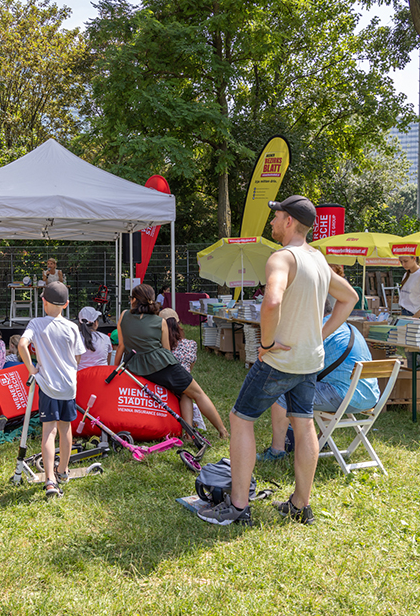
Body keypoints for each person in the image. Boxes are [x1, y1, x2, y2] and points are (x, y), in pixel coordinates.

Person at [196, 195, 357, 527]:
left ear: (289, 222)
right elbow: (350, 297)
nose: (271, 223)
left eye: (276, 217)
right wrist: (320, 333)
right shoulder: (318, 259)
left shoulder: (282, 258)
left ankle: (238, 507)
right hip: (310, 360)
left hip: (280, 361)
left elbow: (271, 301)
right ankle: (301, 505)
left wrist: (266, 343)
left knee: (240, 419)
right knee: (304, 422)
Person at [258, 297, 381, 460]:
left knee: (281, 393)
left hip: (346, 396)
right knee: (321, 384)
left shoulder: (321, 331)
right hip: (370, 396)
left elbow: (297, 365)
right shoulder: (348, 327)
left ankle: (277, 451)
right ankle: (323, 440)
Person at [115, 284, 228, 438]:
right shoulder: (159, 321)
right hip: (161, 367)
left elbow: (121, 346)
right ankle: (222, 431)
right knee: (197, 393)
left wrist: (114, 369)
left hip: (133, 367)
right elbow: (166, 351)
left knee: (185, 392)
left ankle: (189, 433)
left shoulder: (123, 316)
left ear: (134, 300)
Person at [18, 282, 84, 498]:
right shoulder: (73, 327)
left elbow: (21, 344)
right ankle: (63, 471)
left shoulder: (36, 323)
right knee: (66, 428)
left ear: (43, 301)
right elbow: (77, 357)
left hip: (47, 385)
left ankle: (50, 480)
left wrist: (32, 369)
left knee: (49, 431)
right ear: (66, 304)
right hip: (68, 386)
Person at [160, 307, 205, 431]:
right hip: (183, 384)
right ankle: (189, 430)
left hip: (164, 383)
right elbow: (190, 368)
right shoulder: (191, 344)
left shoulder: (159, 346)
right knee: (187, 392)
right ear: (179, 324)